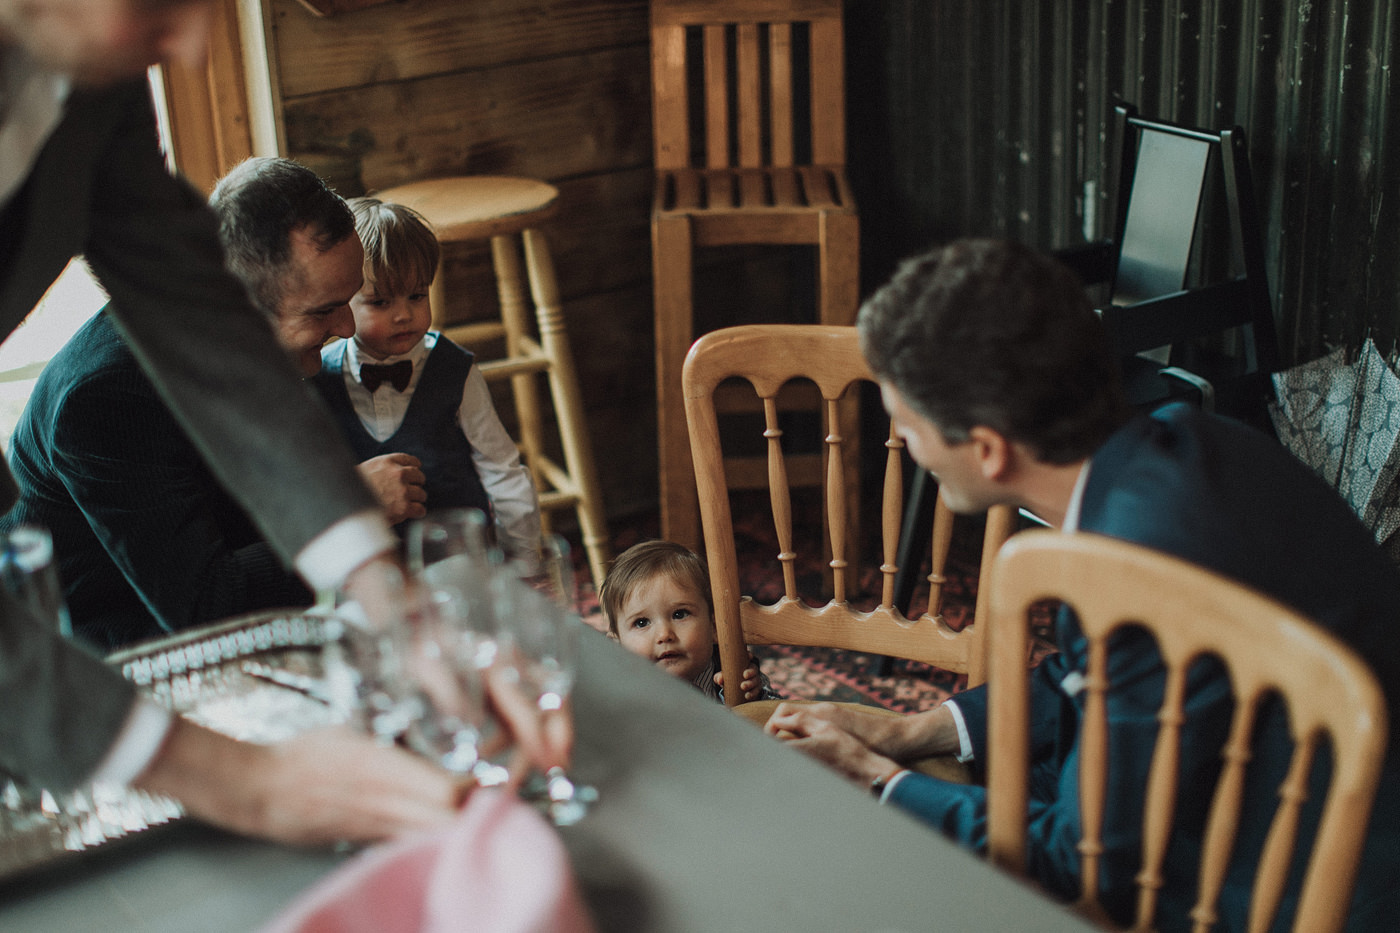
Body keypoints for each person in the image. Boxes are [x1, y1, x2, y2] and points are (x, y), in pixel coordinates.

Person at [0, 0, 562, 847]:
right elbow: (183, 609)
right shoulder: (98, 402)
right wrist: (252, 785)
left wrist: (388, 600)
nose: (191, 47)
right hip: (94, 649)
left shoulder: (97, 84)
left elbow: (202, 315)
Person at [764, 239, 1400, 931]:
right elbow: (1093, 673)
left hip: (1287, 884)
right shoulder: (1181, 440)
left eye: (907, 425)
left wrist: (875, 777)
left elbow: (1084, 860)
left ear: (987, 449)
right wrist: (909, 731)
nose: (906, 445)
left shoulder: (1137, 566)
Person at [1, 160, 430, 649]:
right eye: (324, 311)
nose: (347, 329)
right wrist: (350, 505)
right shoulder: (105, 400)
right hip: (113, 652)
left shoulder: (248, 338)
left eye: (348, 301)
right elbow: (205, 606)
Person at [312, 197, 540, 559]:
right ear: (343, 301)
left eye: (417, 295)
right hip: (371, 563)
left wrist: (524, 559)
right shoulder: (318, 374)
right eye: (381, 302)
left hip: (460, 559)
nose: (404, 314)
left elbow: (503, 471)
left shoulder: (455, 372)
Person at [599, 539, 771, 702]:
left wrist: (752, 692)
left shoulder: (729, 667)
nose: (664, 635)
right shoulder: (620, 696)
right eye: (641, 623)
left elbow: (772, 712)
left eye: (680, 614)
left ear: (715, 627)